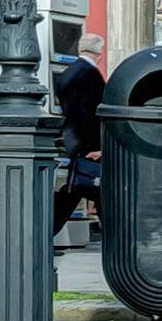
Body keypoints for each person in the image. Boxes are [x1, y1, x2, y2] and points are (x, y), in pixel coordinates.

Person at [52, 32, 107, 243]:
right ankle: (114, 233)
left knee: (79, 187)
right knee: (96, 186)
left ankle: (49, 227)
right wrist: (96, 146)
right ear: (99, 53)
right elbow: (90, 113)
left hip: (73, 140)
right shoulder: (91, 75)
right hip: (89, 144)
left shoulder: (67, 73)